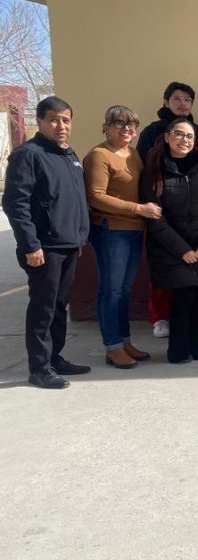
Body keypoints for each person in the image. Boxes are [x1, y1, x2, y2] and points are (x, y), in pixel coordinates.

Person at [2, 96, 91, 389]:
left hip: (68, 243)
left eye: (66, 120)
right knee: (43, 307)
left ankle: (55, 357)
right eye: (53, 120)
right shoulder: (28, 155)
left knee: (60, 304)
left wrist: (79, 236)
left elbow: (75, 200)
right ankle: (39, 367)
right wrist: (30, 245)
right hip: (44, 248)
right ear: (40, 121)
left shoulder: (69, 155)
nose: (61, 126)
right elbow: (15, 203)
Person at [82, 105, 161, 369]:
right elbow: (96, 197)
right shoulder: (99, 155)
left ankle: (124, 341)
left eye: (131, 124)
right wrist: (138, 209)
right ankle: (113, 346)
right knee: (111, 291)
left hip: (134, 230)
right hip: (111, 231)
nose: (126, 129)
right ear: (106, 127)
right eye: (119, 123)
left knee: (124, 291)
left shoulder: (133, 153)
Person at [140, 117, 198, 364]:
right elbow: (154, 218)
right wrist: (182, 250)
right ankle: (178, 350)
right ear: (167, 137)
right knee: (183, 298)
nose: (184, 140)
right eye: (179, 134)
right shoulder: (153, 170)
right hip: (171, 249)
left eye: (190, 136)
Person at [136, 82, 198, 340]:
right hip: (161, 206)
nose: (183, 104)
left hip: (191, 208)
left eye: (188, 99)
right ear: (166, 101)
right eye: (177, 99)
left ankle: (183, 317)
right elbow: (142, 167)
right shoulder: (152, 132)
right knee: (163, 265)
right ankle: (159, 317)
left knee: (187, 268)